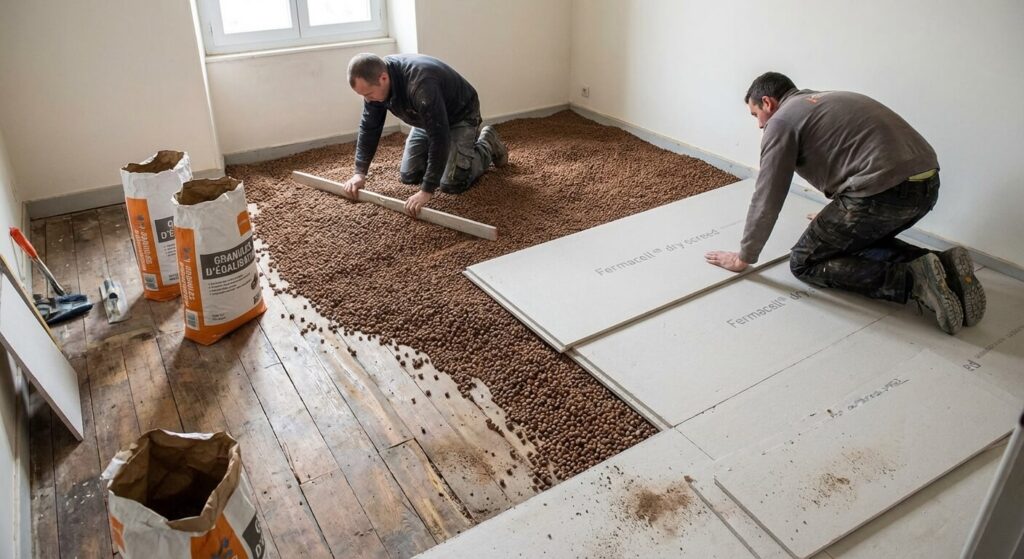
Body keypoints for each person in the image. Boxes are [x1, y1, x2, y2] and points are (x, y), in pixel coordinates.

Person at [705, 72, 985, 335]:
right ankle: (945, 266)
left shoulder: (781, 121)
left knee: (804, 261)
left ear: (768, 102)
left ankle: (913, 280)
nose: (759, 125)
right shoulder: (828, 99)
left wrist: (744, 256)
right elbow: (856, 156)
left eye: (756, 114)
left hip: (881, 193)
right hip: (925, 187)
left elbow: (768, 192)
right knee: (854, 241)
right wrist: (837, 217)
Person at [341, 53, 508, 216]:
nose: (367, 100)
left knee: (452, 183)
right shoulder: (375, 84)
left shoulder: (420, 84)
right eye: (363, 96)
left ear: (383, 78)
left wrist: (427, 190)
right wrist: (359, 173)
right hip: (426, 119)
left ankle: (487, 141)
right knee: (409, 175)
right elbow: (369, 127)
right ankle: (452, 153)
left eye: (368, 94)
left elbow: (439, 137)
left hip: (460, 115)